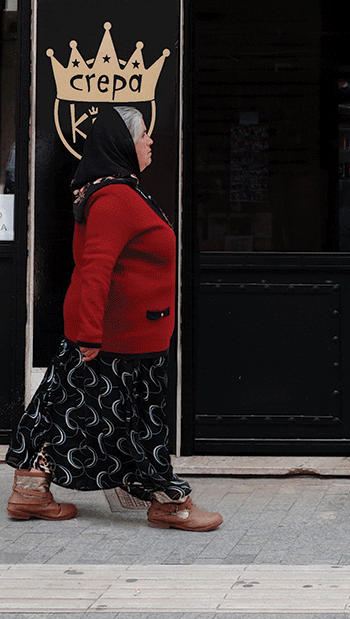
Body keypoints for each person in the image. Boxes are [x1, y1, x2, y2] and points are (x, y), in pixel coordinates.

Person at [5, 106, 223, 532]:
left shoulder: (120, 191)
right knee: (141, 423)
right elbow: (95, 269)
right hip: (116, 340)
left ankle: (29, 493)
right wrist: (89, 335)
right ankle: (169, 503)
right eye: (143, 135)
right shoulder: (114, 199)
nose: (150, 141)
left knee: (60, 408)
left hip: (123, 335)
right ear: (123, 143)